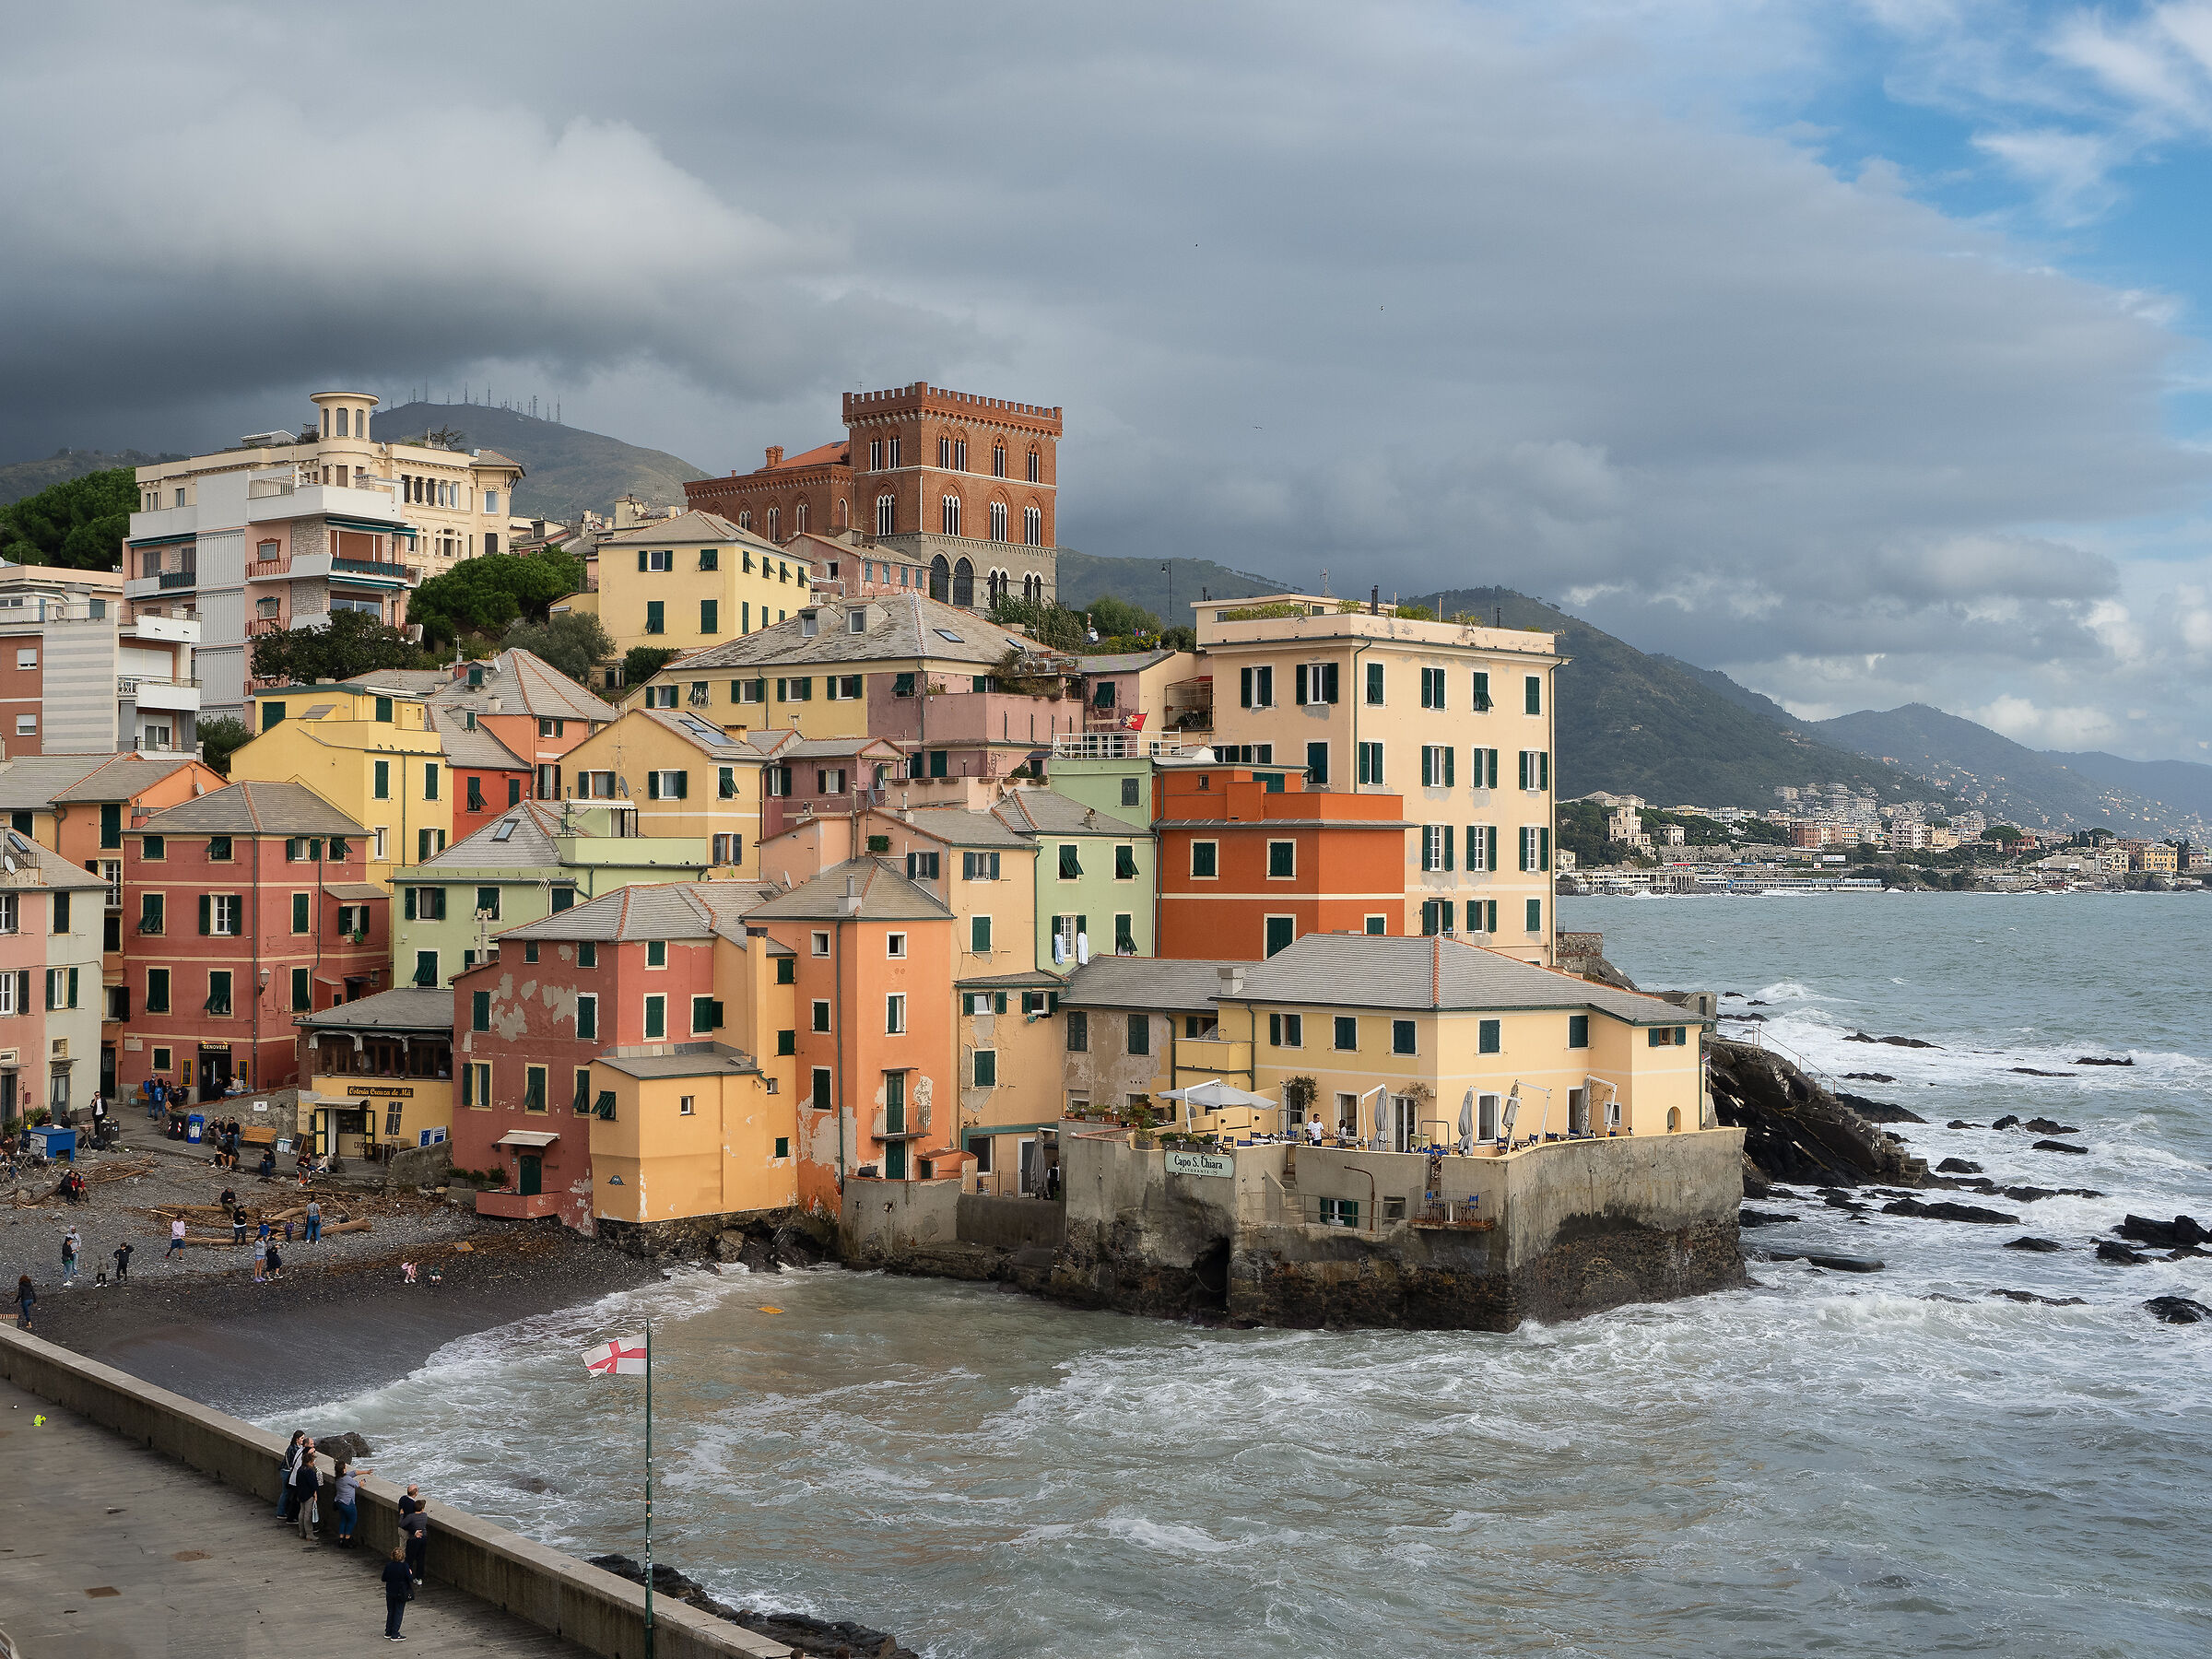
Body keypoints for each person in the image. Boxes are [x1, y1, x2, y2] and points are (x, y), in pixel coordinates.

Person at [331, 1456, 371, 1546]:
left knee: (343, 1520)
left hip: (339, 1502)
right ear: (344, 1470)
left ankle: (341, 1539)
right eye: (345, 1467)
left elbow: (354, 1473)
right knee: (352, 1520)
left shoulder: (338, 1477)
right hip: (348, 1503)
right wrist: (363, 1482)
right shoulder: (347, 1479)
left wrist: (366, 1472)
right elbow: (357, 1485)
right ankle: (347, 1540)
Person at [293, 1437, 321, 1540]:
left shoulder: (300, 1469)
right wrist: (315, 1494)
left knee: (302, 1513)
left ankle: (301, 1532)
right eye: (312, 1461)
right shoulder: (309, 1471)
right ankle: (309, 1534)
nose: (314, 1463)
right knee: (308, 1515)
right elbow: (314, 1484)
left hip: (300, 1493)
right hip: (308, 1494)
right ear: (309, 1462)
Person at [382, 1545, 413, 1639]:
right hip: (400, 1592)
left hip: (390, 1591)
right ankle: (395, 1633)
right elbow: (410, 1579)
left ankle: (388, 1631)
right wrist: (410, 1573)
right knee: (398, 1612)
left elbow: (384, 1578)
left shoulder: (388, 1565)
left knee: (391, 1611)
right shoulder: (404, 1566)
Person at [398, 1498, 429, 1585]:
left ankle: (407, 1576)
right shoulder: (425, 1515)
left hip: (413, 1540)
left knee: (410, 1559)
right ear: (422, 1509)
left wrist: (401, 1515)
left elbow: (401, 1524)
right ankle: (419, 1578)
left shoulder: (411, 1517)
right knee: (420, 1559)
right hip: (423, 1538)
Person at [277, 1430, 306, 1519]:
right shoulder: (295, 1449)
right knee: (286, 1492)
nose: (303, 1440)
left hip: (285, 1470)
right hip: (287, 1471)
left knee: (287, 1493)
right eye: (302, 1438)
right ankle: (281, 1512)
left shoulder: (293, 1446)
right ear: (297, 1439)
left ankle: (283, 1511)